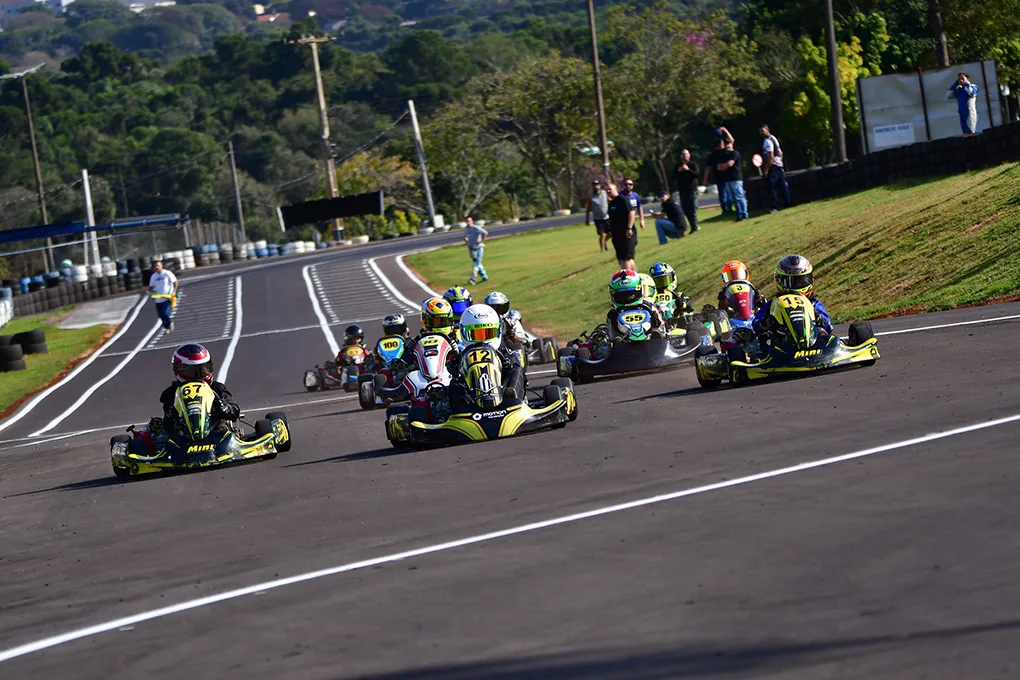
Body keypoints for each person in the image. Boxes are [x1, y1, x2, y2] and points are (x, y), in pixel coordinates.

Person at [158, 343, 240, 432]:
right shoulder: (171, 393)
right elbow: (167, 424)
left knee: (223, 425)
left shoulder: (217, 388)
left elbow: (235, 410)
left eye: (204, 369)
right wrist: (171, 413)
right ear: (178, 369)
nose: (199, 374)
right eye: (193, 371)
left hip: (217, 434)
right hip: (182, 439)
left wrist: (226, 409)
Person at [455, 303, 527, 402]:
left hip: (503, 397)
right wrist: (453, 367)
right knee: (454, 383)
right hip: (471, 402)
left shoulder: (504, 351)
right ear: (463, 333)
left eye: (488, 333)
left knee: (517, 369)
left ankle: (513, 397)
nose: (483, 340)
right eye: (476, 335)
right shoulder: (461, 355)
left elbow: (514, 363)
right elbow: (451, 370)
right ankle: (459, 409)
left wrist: (508, 365)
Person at [752, 254, 833, 337]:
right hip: (782, 346)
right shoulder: (773, 305)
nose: (796, 285)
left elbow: (828, 327)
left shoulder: (813, 304)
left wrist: (819, 319)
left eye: (801, 281)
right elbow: (755, 325)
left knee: (823, 334)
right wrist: (766, 323)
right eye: (791, 282)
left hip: (812, 345)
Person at [606, 268, 666, 340]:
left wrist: (656, 323)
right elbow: (610, 334)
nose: (627, 298)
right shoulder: (614, 313)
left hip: (651, 341)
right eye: (622, 296)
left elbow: (663, 329)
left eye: (631, 294)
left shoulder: (650, 307)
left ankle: (654, 338)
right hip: (623, 346)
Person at [703, 137, 748, 221]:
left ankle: (744, 214)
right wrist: (723, 166)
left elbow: (729, 164)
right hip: (728, 179)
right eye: (726, 146)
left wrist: (724, 166)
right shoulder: (725, 155)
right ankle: (739, 215)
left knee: (739, 197)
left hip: (736, 179)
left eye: (729, 145)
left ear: (732, 145)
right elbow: (719, 167)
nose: (728, 147)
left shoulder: (735, 153)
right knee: (733, 198)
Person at [759, 124, 791, 213]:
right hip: (779, 165)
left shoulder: (767, 141)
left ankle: (775, 207)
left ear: (767, 130)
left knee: (771, 187)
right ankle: (788, 203)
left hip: (773, 166)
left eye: (763, 130)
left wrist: (766, 169)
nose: (761, 133)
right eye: (760, 131)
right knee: (782, 186)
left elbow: (771, 155)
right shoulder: (774, 138)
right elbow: (781, 152)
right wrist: (780, 162)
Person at [606, 182, 637, 270]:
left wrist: (629, 228)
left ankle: (629, 280)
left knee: (626, 258)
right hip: (617, 235)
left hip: (626, 233)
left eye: (610, 189)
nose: (608, 191)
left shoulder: (622, 199)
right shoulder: (611, 203)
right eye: (607, 189)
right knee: (622, 259)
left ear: (615, 189)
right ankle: (633, 278)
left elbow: (632, 212)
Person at [672, 149, 700, 233]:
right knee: (685, 209)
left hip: (692, 189)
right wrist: (678, 171)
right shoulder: (678, 166)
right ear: (681, 156)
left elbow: (697, 174)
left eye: (686, 154)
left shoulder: (693, 165)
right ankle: (692, 226)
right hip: (682, 191)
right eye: (683, 154)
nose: (685, 156)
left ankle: (694, 227)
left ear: (689, 155)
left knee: (692, 208)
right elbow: (673, 178)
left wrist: (688, 170)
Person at [148, 259, 178, 333]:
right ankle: (166, 327)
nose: (156, 267)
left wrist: (174, 291)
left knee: (164, 312)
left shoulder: (167, 273)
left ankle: (170, 322)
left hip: (167, 297)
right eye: (155, 266)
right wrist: (149, 291)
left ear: (161, 266)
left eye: (158, 265)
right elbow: (151, 286)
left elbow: (175, 282)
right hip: (158, 298)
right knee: (160, 314)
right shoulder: (154, 276)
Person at [585, 179, 611, 253]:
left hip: (606, 217)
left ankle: (604, 241)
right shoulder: (591, 196)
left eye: (597, 185)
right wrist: (587, 219)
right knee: (602, 234)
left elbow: (610, 200)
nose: (596, 186)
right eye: (594, 185)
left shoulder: (604, 193)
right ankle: (602, 249)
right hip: (598, 218)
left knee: (610, 234)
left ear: (600, 186)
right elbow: (588, 208)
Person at [463, 216, 489, 285]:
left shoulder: (475, 228)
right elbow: (465, 236)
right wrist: (466, 240)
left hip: (478, 248)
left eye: (469, 221)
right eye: (467, 221)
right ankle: (484, 276)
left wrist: (481, 241)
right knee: (478, 263)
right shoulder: (466, 229)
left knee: (476, 264)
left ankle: (472, 279)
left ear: (472, 221)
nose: (468, 222)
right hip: (471, 248)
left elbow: (485, 233)